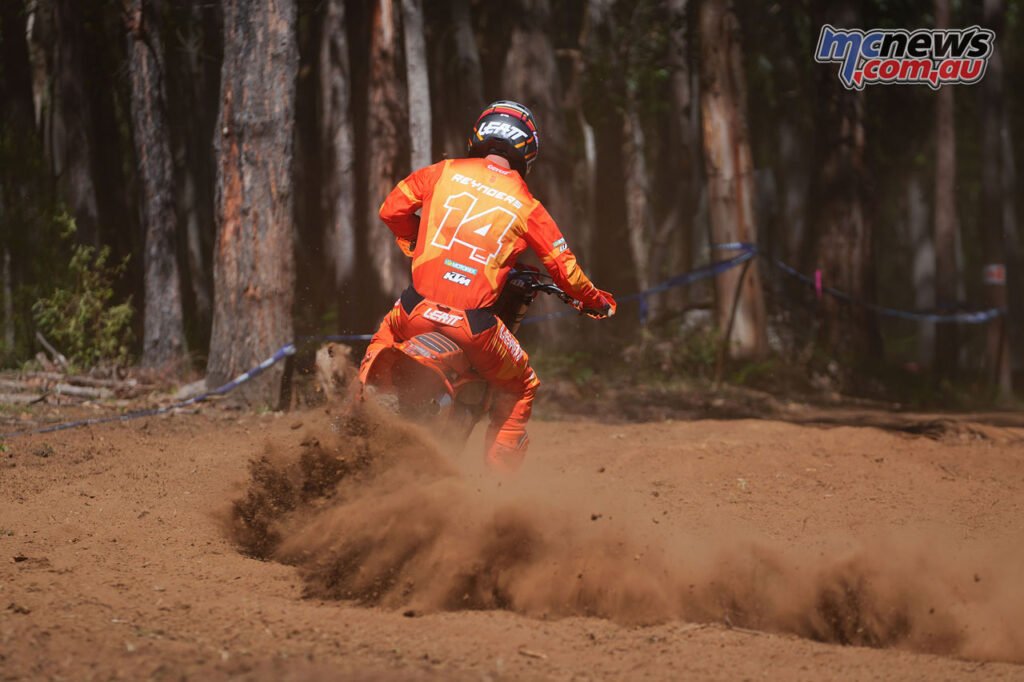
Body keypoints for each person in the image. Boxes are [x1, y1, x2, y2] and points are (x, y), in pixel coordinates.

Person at [360, 100, 616, 472]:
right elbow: (566, 271)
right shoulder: (527, 205)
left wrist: (414, 241)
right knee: (522, 385)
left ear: (478, 136)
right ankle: (496, 490)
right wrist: (596, 301)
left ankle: (354, 415)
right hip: (475, 328)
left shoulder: (442, 172)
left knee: (383, 337)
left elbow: (390, 210)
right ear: (527, 150)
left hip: (413, 311)